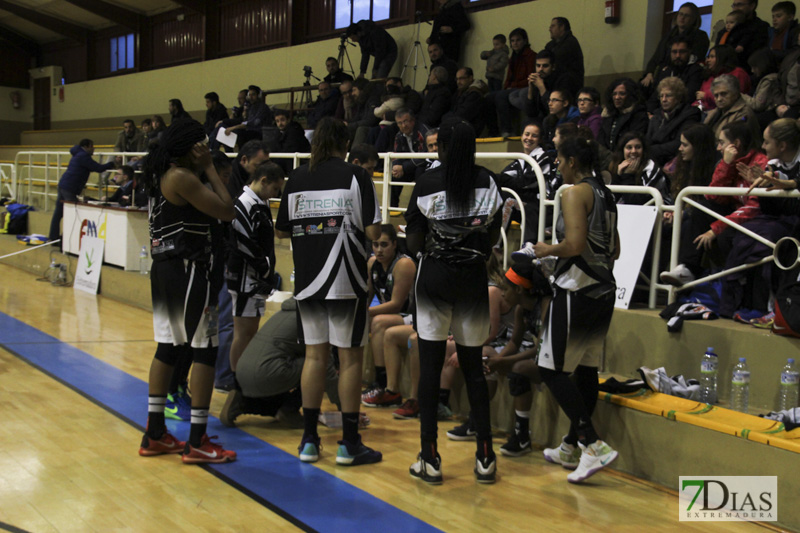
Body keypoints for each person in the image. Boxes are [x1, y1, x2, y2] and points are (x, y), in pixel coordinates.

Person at [275, 117, 382, 466]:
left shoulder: (296, 177)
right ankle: (349, 443)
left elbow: (283, 231)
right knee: (349, 359)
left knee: (315, 357)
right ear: (344, 143)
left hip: (307, 280)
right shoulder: (357, 176)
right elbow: (371, 231)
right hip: (345, 280)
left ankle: (309, 441)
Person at [404, 119, 503, 485]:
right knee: (473, 367)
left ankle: (429, 458)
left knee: (429, 367)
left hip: (434, 279)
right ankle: (486, 457)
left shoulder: (427, 182)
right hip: (473, 279)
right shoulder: (489, 181)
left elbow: (413, 243)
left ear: (442, 148)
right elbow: (492, 235)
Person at [138, 118, 237, 464]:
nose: (206, 150)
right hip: (188, 268)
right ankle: (196, 440)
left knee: (168, 349)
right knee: (205, 352)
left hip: (168, 269)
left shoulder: (164, 175)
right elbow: (227, 210)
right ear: (190, 147)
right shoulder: (182, 176)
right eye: (202, 145)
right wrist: (210, 167)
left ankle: (154, 434)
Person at [531, 136, 620, 484]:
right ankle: (571, 445)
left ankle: (592, 443)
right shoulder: (606, 193)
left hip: (576, 290)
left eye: (559, 160)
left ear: (570, 161)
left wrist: (543, 250)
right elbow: (615, 249)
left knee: (550, 369)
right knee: (585, 369)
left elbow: (574, 244)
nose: (556, 165)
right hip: (603, 290)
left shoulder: (572, 192)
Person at [661, 121, 768, 286]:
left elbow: (753, 207)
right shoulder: (728, 161)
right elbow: (713, 196)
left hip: (756, 218)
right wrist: (727, 165)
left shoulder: (761, 163)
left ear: (736, 144)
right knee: (698, 210)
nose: (719, 147)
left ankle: (730, 285)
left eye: (722, 143)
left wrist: (715, 229)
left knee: (722, 235)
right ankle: (686, 270)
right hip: (733, 213)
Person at [219, 298, 341, 427]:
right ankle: (289, 410)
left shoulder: (287, 312)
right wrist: (346, 409)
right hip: (266, 372)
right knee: (316, 366)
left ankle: (244, 403)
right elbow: (325, 368)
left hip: (243, 372)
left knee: (297, 368)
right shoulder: (315, 319)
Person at [226, 162, 284, 377]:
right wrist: (266, 269)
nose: (276, 194)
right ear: (263, 181)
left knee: (250, 331)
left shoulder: (260, 203)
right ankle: (237, 379)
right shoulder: (244, 204)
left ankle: (245, 376)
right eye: (275, 189)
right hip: (244, 277)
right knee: (243, 332)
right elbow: (242, 242)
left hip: (256, 278)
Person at [361, 224, 417, 407]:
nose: (379, 250)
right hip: (393, 315)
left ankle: (382, 382)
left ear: (394, 244)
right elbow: (367, 296)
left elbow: (396, 305)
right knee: (356, 320)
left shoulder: (404, 264)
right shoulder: (371, 263)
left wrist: (364, 312)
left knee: (377, 321)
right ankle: (344, 371)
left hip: (413, 315)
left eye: (384, 245)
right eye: (375, 245)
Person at [48, 138, 116, 243]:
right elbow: (98, 168)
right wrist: (111, 164)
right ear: (87, 146)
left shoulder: (78, 154)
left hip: (64, 185)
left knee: (58, 213)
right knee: (72, 213)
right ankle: (66, 240)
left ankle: (53, 237)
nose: (94, 149)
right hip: (70, 188)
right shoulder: (84, 156)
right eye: (92, 146)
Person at [643, 2, 710, 89]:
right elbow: (656, 57)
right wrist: (649, 73)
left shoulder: (700, 36)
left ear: (693, 19)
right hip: (663, 73)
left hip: (684, 74)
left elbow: (695, 58)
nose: (682, 17)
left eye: (686, 15)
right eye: (680, 14)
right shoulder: (669, 36)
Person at [646, 77, 702, 166]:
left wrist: (649, 150)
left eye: (668, 95)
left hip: (676, 161)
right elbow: (647, 140)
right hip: (653, 160)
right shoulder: (656, 116)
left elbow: (679, 144)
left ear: (678, 97)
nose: (664, 99)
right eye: (661, 96)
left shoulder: (690, 114)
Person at [492, 28, 536, 138]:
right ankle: (493, 131)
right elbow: (509, 77)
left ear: (525, 41)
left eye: (518, 40)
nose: (515, 43)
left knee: (500, 96)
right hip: (512, 87)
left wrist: (512, 86)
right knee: (489, 98)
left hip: (524, 87)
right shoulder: (513, 57)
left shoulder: (531, 56)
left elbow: (530, 77)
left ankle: (507, 130)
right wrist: (506, 86)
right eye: (512, 41)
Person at [645, 38, 704, 114]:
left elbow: (688, 98)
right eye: (674, 52)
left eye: (682, 52)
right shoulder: (666, 71)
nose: (678, 55)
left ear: (689, 52)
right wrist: (648, 112)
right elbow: (655, 97)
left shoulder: (696, 70)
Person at [611, 132, 671, 205]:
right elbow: (611, 200)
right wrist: (618, 176)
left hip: (656, 211)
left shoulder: (651, 168)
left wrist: (628, 176)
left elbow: (637, 202)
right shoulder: (620, 166)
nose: (633, 151)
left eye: (638, 147)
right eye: (629, 147)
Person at [596, 78, 649, 151]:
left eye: (622, 93)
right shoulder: (608, 115)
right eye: (614, 94)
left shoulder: (639, 115)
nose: (617, 97)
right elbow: (601, 142)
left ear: (631, 95)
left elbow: (633, 142)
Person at [703, 74, 760, 141]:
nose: (719, 99)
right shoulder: (716, 112)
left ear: (735, 94)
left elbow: (733, 143)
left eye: (723, 94)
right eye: (716, 95)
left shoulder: (743, 113)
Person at [695, 45, 751, 111]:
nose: (707, 60)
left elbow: (733, 100)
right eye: (708, 57)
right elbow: (700, 99)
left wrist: (706, 96)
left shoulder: (738, 73)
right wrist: (697, 106)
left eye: (712, 57)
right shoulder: (709, 75)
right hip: (705, 113)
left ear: (722, 58)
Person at [391, 108, 428, 207]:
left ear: (413, 121)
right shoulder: (399, 136)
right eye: (399, 123)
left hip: (425, 166)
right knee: (394, 175)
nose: (403, 125)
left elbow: (424, 157)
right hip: (409, 167)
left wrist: (403, 167)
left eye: (405, 121)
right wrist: (396, 166)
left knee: (420, 171)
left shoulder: (423, 132)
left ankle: (418, 207)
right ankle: (392, 208)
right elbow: (396, 154)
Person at [726, 0, 770, 70]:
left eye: (739, 5)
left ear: (752, 6)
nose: (735, 9)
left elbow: (756, 54)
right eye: (734, 5)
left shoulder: (761, 27)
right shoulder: (727, 29)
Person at [443, 67, 489, 135]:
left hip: (469, 131)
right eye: (457, 79)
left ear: (470, 78)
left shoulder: (474, 94)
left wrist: (447, 118)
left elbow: (463, 115)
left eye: (461, 78)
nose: (458, 82)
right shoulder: (460, 92)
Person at [545, 17, 584, 88]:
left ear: (562, 27)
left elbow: (557, 62)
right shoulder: (550, 45)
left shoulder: (570, 43)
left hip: (569, 85)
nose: (549, 29)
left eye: (553, 26)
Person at [272, 109, 311, 175]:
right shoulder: (278, 133)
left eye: (282, 120)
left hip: (300, 163)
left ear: (288, 120)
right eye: (277, 121)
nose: (280, 123)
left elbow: (289, 150)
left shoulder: (295, 131)